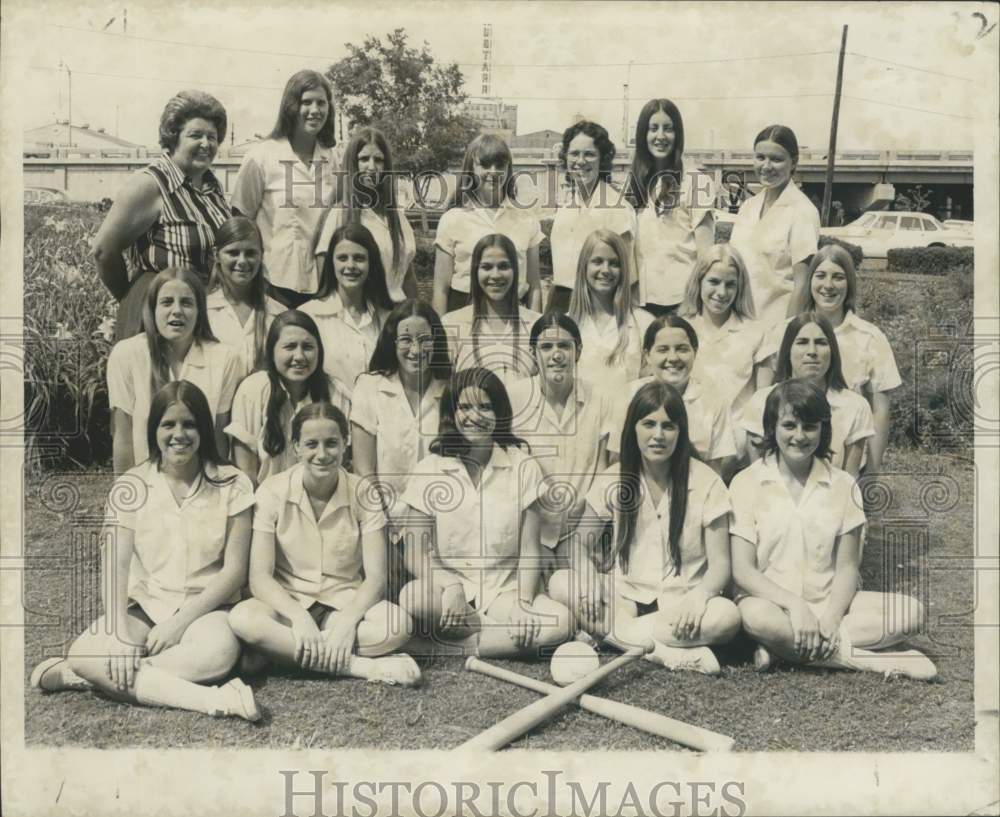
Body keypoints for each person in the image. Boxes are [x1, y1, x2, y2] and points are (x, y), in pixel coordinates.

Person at [30, 381, 260, 719]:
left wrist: (179, 623)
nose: (179, 434)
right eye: (168, 424)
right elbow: (115, 566)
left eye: (189, 424)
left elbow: (234, 572)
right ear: (154, 430)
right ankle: (214, 700)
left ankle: (88, 677)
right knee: (83, 651)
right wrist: (120, 635)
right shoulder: (131, 485)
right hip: (146, 607)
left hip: (206, 610)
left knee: (216, 654)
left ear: (204, 430)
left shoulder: (232, 483)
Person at [731, 379, 937, 680]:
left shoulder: (843, 484)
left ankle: (783, 650)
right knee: (757, 618)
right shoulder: (746, 482)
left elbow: (847, 567)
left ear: (823, 429)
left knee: (911, 612)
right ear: (772, 427)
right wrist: (795, 606)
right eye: (789, 425)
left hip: (827, 599)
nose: (799, 436)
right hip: (769, 603)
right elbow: (742, 571)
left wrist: (829, 617)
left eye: (810, 426)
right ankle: (867, 660)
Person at [549, 380, 740, 675]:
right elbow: (577, 544)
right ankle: (662, 654)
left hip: (681, 604)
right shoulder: (615, 478)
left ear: (681, 431)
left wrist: (699, 599)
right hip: (623, 596)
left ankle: (616, 638)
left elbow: (720, 566)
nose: (658, 436)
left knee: (726, 617)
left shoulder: (706, 482)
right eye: (648, 424)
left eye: (668, 426)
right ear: (633, 429)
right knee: (561, 582)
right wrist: (587, 581)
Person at [228, 402, 420, 685]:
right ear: (296, 447)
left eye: (331, 443)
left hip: (342, 602)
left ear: (346, 444)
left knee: (398, 626)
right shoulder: (272, 491)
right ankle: (359, 667)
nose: (322, 454)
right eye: (311, 444)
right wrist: (299, 619)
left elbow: (376, 578)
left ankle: (280, 651)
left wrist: (347, 622)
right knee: (244, 619)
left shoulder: (363, 492)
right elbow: (259, 578)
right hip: (287, 606)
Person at [398, 367, 573, 657]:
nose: (474, 416)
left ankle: (451, 647)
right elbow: (414, 554)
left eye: (485, 407)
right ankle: (505, 641)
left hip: (505, 590)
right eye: (465, 407)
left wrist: (523, 603)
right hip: (448, 593)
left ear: (500, 413)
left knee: (560, 624)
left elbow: (530, 550)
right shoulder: (429, 469)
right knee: (413, 598)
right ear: (451, 413)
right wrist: (451, 585)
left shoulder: (523, 466)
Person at [93, 90, 232, 341]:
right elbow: (104, 252)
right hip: (157, 318)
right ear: (174, 137)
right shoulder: (150, 184)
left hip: (201, 314)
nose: (206, 143)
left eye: (212, 137)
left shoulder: (213, 187)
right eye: (195, 135)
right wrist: (133, 300)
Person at [107, 267, 241, 474]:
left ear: (200, 311)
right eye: (167, 302)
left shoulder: (225, 358)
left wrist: (216, 490)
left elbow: (218, 437)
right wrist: (125, 496)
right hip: (147, 483)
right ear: (152, 310)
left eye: (186, 303)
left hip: (201, 482)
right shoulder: (127, 354)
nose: (177, 310)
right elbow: (123, 435)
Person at [507, 312, 616, 567]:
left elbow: (603, 474)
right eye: (546, 347)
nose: (556, 355)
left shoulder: (600, 399)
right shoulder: (514, 398)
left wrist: (583, 541)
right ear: (533, 353)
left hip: (583, 534)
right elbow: (507, 480)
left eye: (564, 346)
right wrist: (534, 547)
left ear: (578, 351)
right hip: (525, 538)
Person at [782, 244, 901, 472]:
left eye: (838, 277)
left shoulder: (870, 337)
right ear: (810, 281)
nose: (828, 285)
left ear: (849, 284)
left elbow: (880, 410)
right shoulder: (786, 331)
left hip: (847, 460)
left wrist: (872, 471)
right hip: (792, 455)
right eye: (820, 276)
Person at [230, 70, 340, 308]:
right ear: (291, 106)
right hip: (272, 283)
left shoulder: (335, 160)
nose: (315, 110)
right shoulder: (261, 156)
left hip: (324, 284)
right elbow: (241, 223)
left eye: (321, 103)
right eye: (306, 102)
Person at [351, 299, 453, 530]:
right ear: (392, 343)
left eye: (425, 340)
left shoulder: (450, 390)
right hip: (382, 521)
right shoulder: (370, 387)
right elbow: (363, 470)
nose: (416, 350)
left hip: (440, 522)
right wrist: (383, 521)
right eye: (406, 340)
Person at [225, 310, 351, 487]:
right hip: (266, 504)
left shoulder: (336, 392)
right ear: (272, 350)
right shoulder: (254, 389)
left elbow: (345, 465)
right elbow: (246, 475)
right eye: (290, 346)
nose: (299, 357)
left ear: (319, 351)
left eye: (307, 347)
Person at [740, 313, 874, 478]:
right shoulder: (761, 401)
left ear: (832, 352)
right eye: (802, 342)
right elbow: (757, 475)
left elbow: (850, 479)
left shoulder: (855, 406)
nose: (812, 351)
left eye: (821, 343)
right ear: (788, 350)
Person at [608, 315, 737, 480]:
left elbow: (715, 469)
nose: (673, 358)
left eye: (682, 349)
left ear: (694, 352)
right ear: (647, 355)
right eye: (663, 349)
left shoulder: (714, 400)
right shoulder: (629, 395)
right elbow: (617, 461)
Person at [432, 134, 543, 315]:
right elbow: (441, 289)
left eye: (500, 165)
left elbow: (535, 286)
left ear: (508, 168)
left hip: (514, 312)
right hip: (463, 310)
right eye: (485, 165)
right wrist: (442, 337)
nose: (493, 172)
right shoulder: (452, 219)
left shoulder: (527, 218)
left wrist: (535, 329)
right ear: (471, 168)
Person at [627, 99, 716, 317]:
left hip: (682, 303)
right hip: (640, 303)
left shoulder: (697, 182)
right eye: (653, 128)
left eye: (668, 129)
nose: (660, 136)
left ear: (678, 135)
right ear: (642, 135)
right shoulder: (634, 182)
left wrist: (696, 304)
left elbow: (707, 254)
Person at [729, 124, 820, 327]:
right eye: (760, 157)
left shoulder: (803, 211)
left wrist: (785, 336)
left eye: (776, 159)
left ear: (793, 163)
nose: (766, 166)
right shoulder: (747, 207)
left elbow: (802, 284)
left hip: (775, 326)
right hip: (739, 324)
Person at [314, 127, 416, 304]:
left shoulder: (397, 218)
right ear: (353, 163)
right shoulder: (340, 215)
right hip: (362, 315)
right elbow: (326, 278)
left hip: (397, 314)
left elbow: (406, 276)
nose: (372, 167)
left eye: (378, 160)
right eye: (363, 159)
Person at [548, 120, 636, 312]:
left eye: (589, 154)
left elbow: (627, 277)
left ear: (602, 159)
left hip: (597, 307)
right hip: (560, 303)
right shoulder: (566, 204)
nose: (580, 161)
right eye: (574, 154)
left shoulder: (618, 208)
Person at [301, 223, 394, 395]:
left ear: (371, 263)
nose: (350, 265)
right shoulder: (308, 316)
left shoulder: (388, 319)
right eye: (342, 258)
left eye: (359, 258)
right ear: (331, 263)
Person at [678, 243, 769, 418]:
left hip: (736, 435)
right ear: (699, 280)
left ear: (739, 287)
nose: (721, 292)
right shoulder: (681, 330)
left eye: (730, 285)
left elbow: (763, 400)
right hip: (691, 433)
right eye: (714, 281)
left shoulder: (757, 333)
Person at [441, 233, 541, 389]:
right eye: (487, 267)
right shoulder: (450, 324)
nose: (495, 275)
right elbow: (441, 388)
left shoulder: (537, 323)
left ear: (515, 271)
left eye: (503, 266)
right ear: (475, 272)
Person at [567, 228, 653, 394]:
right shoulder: (567, 325)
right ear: (584, 266)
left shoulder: (644, 324)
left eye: (614, 263)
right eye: (597, 261)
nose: (605, 270)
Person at [205, 216, 286, 378]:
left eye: (250, 253)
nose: (242, 261)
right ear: (216, 254)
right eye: (233, 253)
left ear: (261, 255)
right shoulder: (203, 311)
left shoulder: (278, 314)